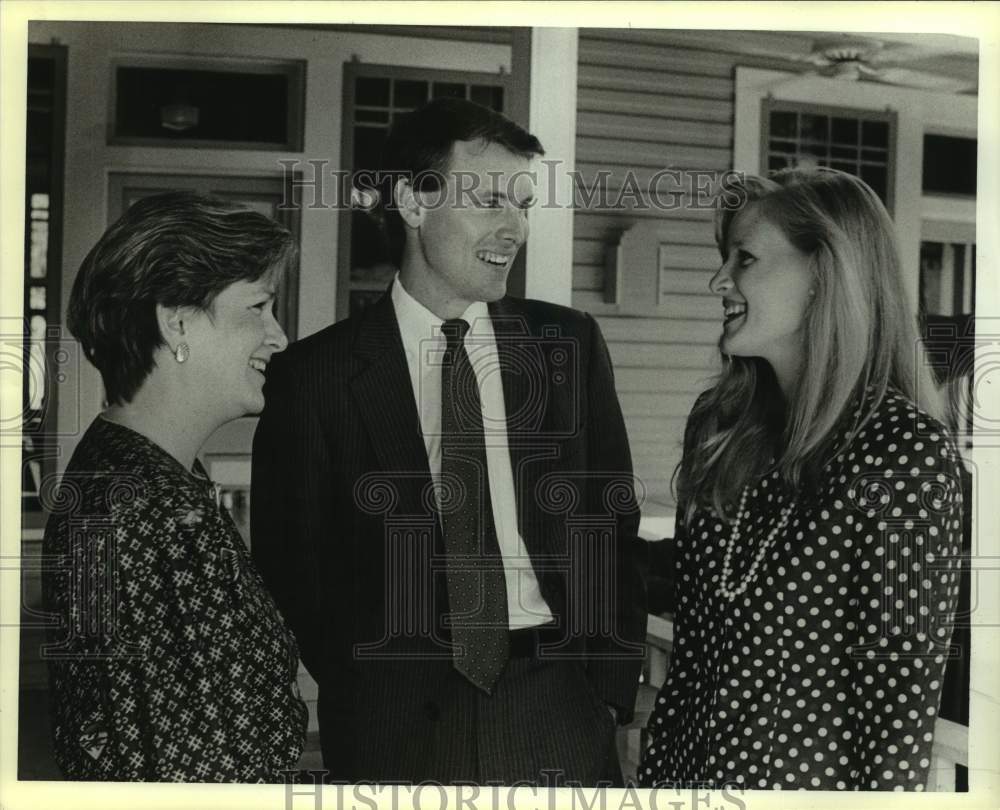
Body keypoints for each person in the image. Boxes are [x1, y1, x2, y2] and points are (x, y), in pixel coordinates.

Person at [251, 98, 647, 785]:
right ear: (411, 201)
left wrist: (609, 690)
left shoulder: (568, 346)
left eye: (522, 204)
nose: (513, 227)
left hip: (558, 709)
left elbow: (609, 527)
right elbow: (293, 571)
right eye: (491, 200)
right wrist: (368, 693)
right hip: (394, 730)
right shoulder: (314, 377)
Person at [639, 168, 963, 791]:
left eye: (746, 257)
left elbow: (897, 706)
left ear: (823, 274)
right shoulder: (721, 427)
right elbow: (691, 662)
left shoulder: (903, 454)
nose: (719, 280)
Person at [42, 192, 308, 781]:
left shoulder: (143, 475)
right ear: (177, 320)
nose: (279, 337)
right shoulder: (139, 507)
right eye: (257, 309)